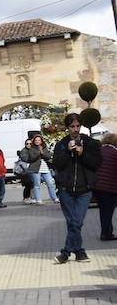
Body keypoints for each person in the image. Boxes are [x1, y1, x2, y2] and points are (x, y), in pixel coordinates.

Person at [53, 113, 102, 264]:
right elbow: (57, 165)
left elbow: (97, 163)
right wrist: (68, 152)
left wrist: (83, 153)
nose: (75, 129)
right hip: (66, 190)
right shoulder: (61, 144)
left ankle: (66, 252)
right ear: (67, 128)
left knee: (77, 222)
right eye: (72, 126)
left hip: (84, 190)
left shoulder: (90, 143)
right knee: (72, 222)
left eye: (77, 126)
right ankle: (79, 251)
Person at [95, 133, 117, 241]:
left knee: (103, 210)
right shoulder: (115, 152)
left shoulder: (99, 151)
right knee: (109, 210)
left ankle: (107, 231)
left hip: (98, 186)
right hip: (111, 187)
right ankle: (105, 233)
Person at [27, 134, 58, 203]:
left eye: (39, 140)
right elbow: (31, 158)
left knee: (50, 183)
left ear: (41, 141)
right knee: (37, 185)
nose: (37, 141)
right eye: (36, 140)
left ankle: (54, 198)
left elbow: (48, 156)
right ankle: (38, 199)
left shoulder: (44, 148)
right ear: (34, 141)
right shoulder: (31, 148)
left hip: (45, 168)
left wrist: (42, 152)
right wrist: (39, 153)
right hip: (35, 168)